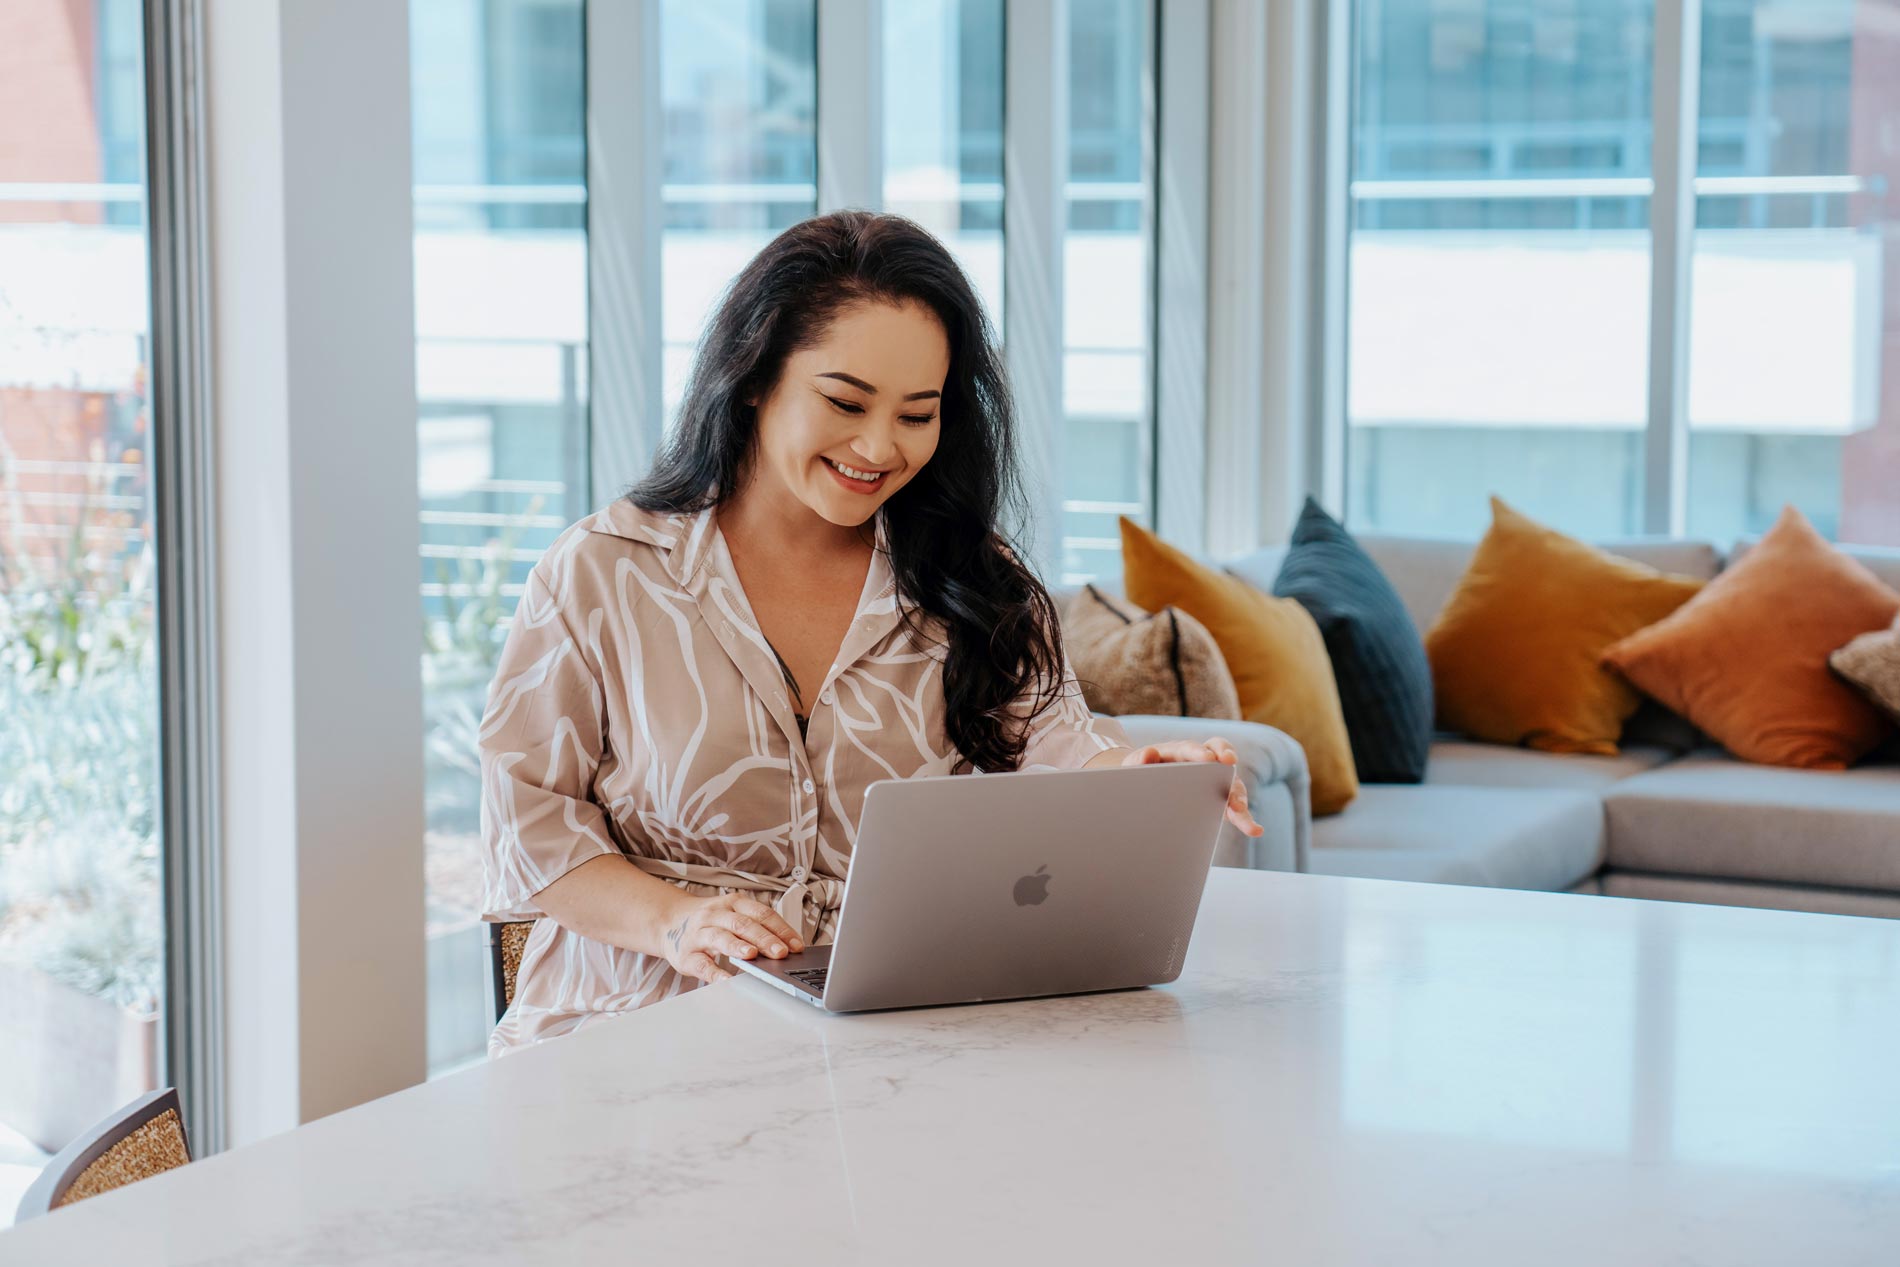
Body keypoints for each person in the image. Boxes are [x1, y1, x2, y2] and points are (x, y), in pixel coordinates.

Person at [478, 210, 1262, 1054]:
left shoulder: (974, 582)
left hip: (890, 1034)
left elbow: (1057, 748)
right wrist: (676, 923)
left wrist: (1134, 774)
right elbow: (528, 826)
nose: (879, 446)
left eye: (917, 414)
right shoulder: (603, 572)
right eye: (845, 401)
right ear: (754, 376)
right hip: (631, 1033)